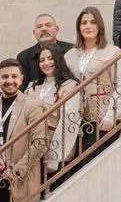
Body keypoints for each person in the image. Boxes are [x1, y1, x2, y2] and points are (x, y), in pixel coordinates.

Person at [64, 6, 121, 157]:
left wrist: (111, 116)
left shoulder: (113, 52)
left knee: (89, 159)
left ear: (99, 25)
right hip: (78, 119)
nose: (88, 26)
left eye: (92, 22)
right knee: (75, 163)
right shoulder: (70, 54)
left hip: (104, 116)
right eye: (84, 23)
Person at [0, 60, 52, 202]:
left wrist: (17, 170)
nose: (9, 81)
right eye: (5, 76)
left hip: (23, 181)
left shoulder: (33, 106)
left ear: (22, 79)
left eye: (14, 76)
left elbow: (40, 143)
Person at [27, 45, 81, 177]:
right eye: (42, 60)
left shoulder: (70, 85)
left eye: (50, 58)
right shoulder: (32, 86)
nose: (46, 63)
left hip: (55, 146)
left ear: (58, 59)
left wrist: (55, 155)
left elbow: (69, 121)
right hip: (32, 148)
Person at [14, 13, 72, 88]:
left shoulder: (71, 50)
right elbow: (22, 89)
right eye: (39, 26)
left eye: (48, 25)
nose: (44, 29)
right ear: (34, 33)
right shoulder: (23, 57)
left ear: (57, 29)